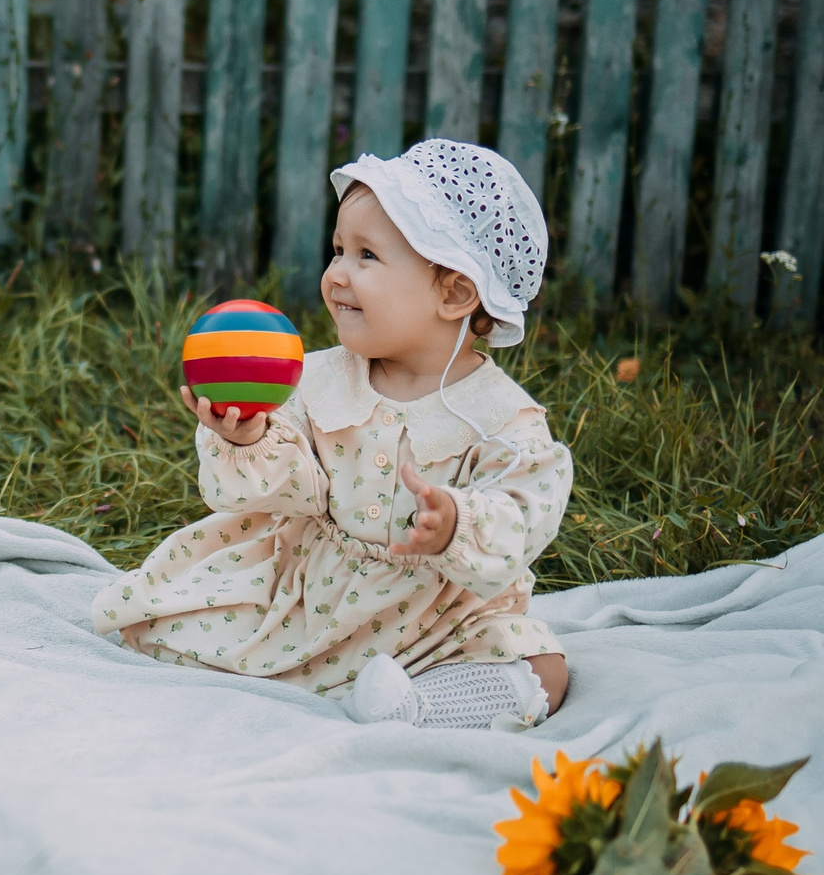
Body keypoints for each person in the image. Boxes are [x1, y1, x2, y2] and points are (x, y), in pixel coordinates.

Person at [90, 141, 572, 730]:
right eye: (338, 249)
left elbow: (524, 516)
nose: (336, 273)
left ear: (454, 293)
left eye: (366, 255)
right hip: (310, 593)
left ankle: (418, 704)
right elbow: (285, 488)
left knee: (544, 666)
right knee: (175, 615)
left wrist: (457, 523)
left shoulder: (500, 419)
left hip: (439, 617)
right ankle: (305, 671)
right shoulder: (318, 378)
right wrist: (247, 442)